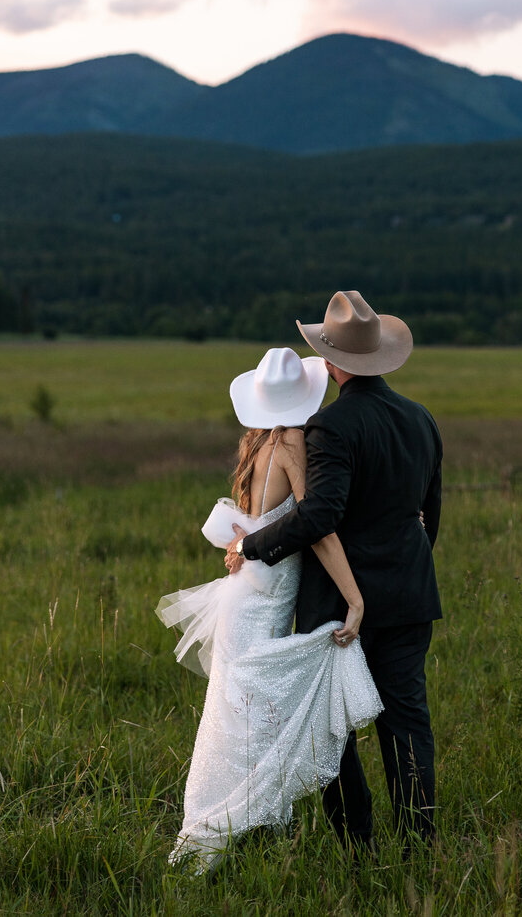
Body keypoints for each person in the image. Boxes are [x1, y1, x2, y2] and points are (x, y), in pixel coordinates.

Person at [229, 291, 443, 852]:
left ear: (329, 362)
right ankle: (420, 846)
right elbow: (430, 517)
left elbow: (319, 515)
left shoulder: (329, 427)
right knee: (407, 725)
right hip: (410, 594)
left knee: (332, 731)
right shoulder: (423, 421)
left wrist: (253, 547)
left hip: (341, 605)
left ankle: (359, 846)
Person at [155, 346, 382, 873]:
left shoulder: (260, 443)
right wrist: (354, 597)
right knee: (259, 716)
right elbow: (317, 526)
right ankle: (234, 823)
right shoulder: (293, 442)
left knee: (241, 717)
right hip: (263, 600)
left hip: (251, 594)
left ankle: (245, 826)